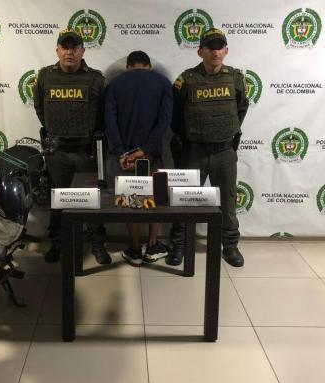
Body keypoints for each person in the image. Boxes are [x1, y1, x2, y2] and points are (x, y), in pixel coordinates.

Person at [167, 28, 249, 268]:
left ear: (226, 50)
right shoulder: (186, 80)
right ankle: (179, 244)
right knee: (183, 200)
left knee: (228, 202)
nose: (215, 52)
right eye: (210, 47)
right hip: (193, 152)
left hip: (224, 151)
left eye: (219, 47)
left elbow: (241, 109)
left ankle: (230, 245)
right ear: (200, 51)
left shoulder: (235, 78)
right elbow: (175, 117)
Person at [33, 28, 110, 265]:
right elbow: (40, 109)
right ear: (57, 50)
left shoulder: (96, 79)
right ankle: (58, 242)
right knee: (58, 199)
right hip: (57, 152)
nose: (69, 52)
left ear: (82, 51)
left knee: (92, 199)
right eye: (65, 47)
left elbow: (103, 114)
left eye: (74, 47)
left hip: (85, 151)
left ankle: (97, 243)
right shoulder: (44, 77)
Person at [105, 50, 173, 265]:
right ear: (148, 66)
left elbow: (110, 121)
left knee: (130, 199)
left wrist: (121, 152)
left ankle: (135, 249)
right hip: (153, 155)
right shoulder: (163, 83)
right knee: (157, 199)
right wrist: (146, 149)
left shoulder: (115, 84)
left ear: (128, 66)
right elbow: (164, 122)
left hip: (125, 158)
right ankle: (152, 246)